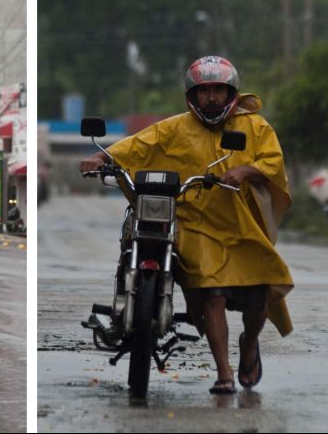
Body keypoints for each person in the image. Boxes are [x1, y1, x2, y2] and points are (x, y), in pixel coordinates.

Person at [79, 56, 294, 395]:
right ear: (192, 96)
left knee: (260, 298)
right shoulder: (174, 127)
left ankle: (249, 343)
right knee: (211, 294)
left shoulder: (254, 127)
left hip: (241, 226)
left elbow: (272, 161)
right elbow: (138, 144)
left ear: (231, 93)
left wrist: (245, 171)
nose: (211, 98)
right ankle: (224, 374)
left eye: (217, 91)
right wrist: (102, 158)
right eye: (203, 91)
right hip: (192, 224)